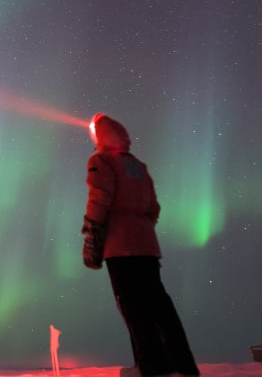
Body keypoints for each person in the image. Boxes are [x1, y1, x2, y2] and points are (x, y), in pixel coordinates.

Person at [81, 112, 199, 377]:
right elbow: (153, 207)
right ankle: (182, 365)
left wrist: (91, 229)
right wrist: (142, 228)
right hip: (146, 244)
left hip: (120, 246)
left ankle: (150, 366)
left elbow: (100, 196)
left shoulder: (100, 160)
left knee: (133, 307)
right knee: (160, 306)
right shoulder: (138, 166)